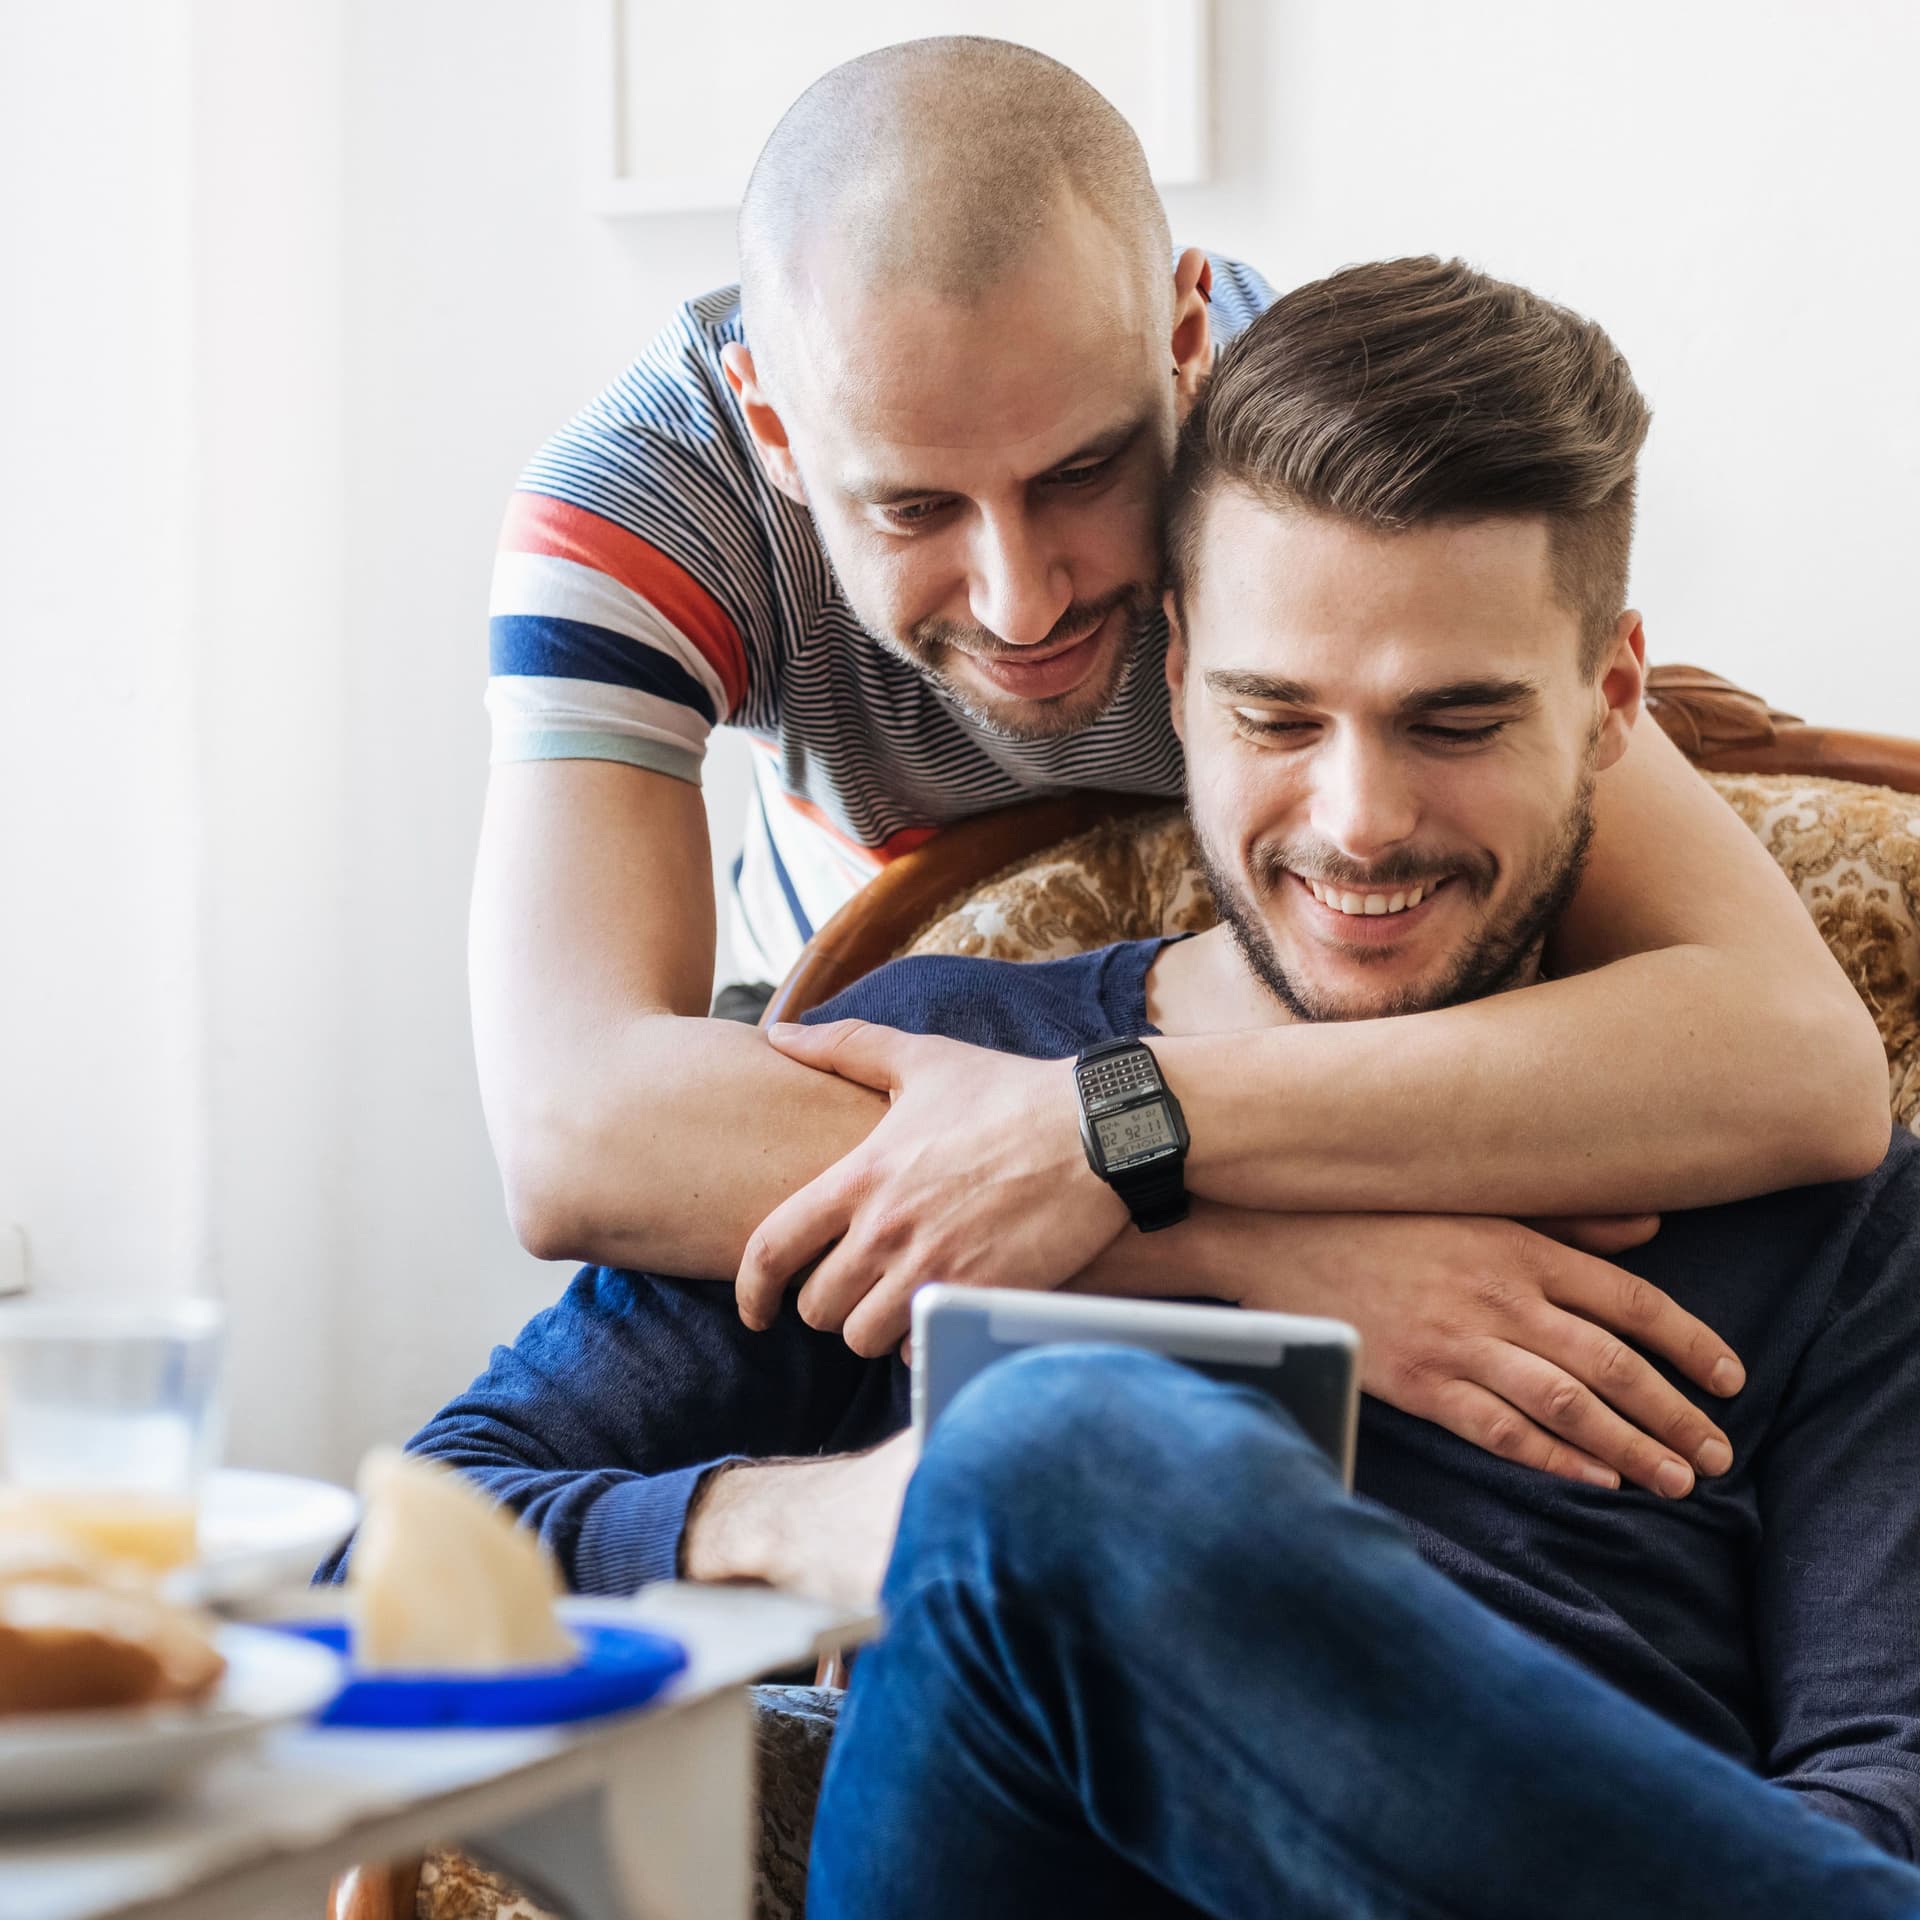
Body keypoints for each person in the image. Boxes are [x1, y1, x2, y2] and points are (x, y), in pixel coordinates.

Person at [384, 259, 1919, 1914]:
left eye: (1456, 720)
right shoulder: (938, 1078)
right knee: (1049, 1447)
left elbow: (1882, 1794)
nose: (1358, 822)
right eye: (1277, 714)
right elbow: (387, 1564)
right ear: (1179, 674)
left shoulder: (1832, 1204)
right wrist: (818, 1521)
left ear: (1610, 703)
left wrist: (1114, 1141)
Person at [471, 39, 1887, 1321]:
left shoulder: (1304, 452)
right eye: (911, 508)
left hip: (1308, 1085)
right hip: (857, 1071)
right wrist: (1245, 1254)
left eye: (1085, 469)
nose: (1022, 600)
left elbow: (1798, 1060)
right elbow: (570, 1128)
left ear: (1188, 340)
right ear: (777, 432)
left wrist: (1109, 1131)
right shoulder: (639, 510)